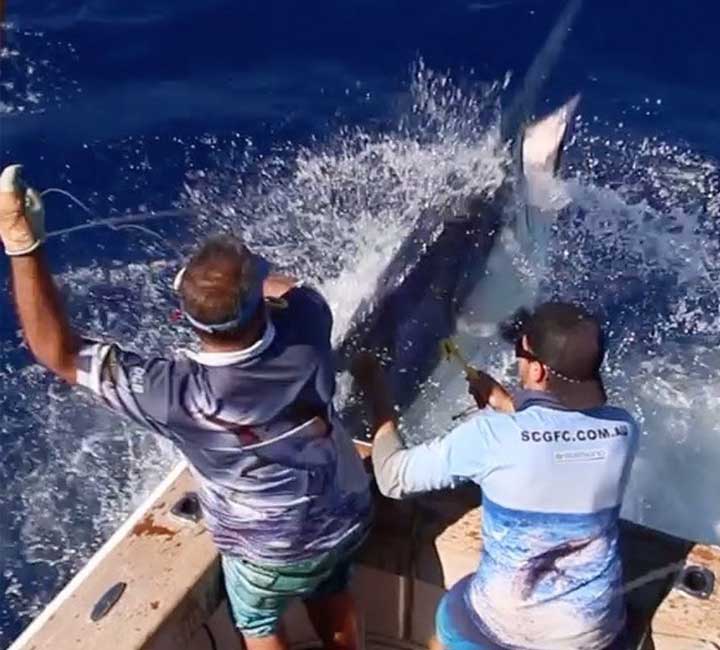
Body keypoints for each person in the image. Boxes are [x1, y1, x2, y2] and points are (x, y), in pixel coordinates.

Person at [0, 164, 372, 650]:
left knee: (259, 623)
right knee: (332, 587)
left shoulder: (172, 393)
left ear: (185, 319)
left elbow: (58, 352)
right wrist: (239, 282)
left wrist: (22, 246)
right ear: (258, 306)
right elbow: (289, 289)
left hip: (267, 552)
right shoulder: (308, 323)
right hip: (343, 516)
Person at [353, 302, 639, 650]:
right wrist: (507, 404)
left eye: (521, 351)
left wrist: (376, 393)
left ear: (536, 371)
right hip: (592, 631)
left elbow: (394, 478)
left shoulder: (490, 436)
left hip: (504, 632)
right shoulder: (622, 429)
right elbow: (559, 440)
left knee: (451, 617)